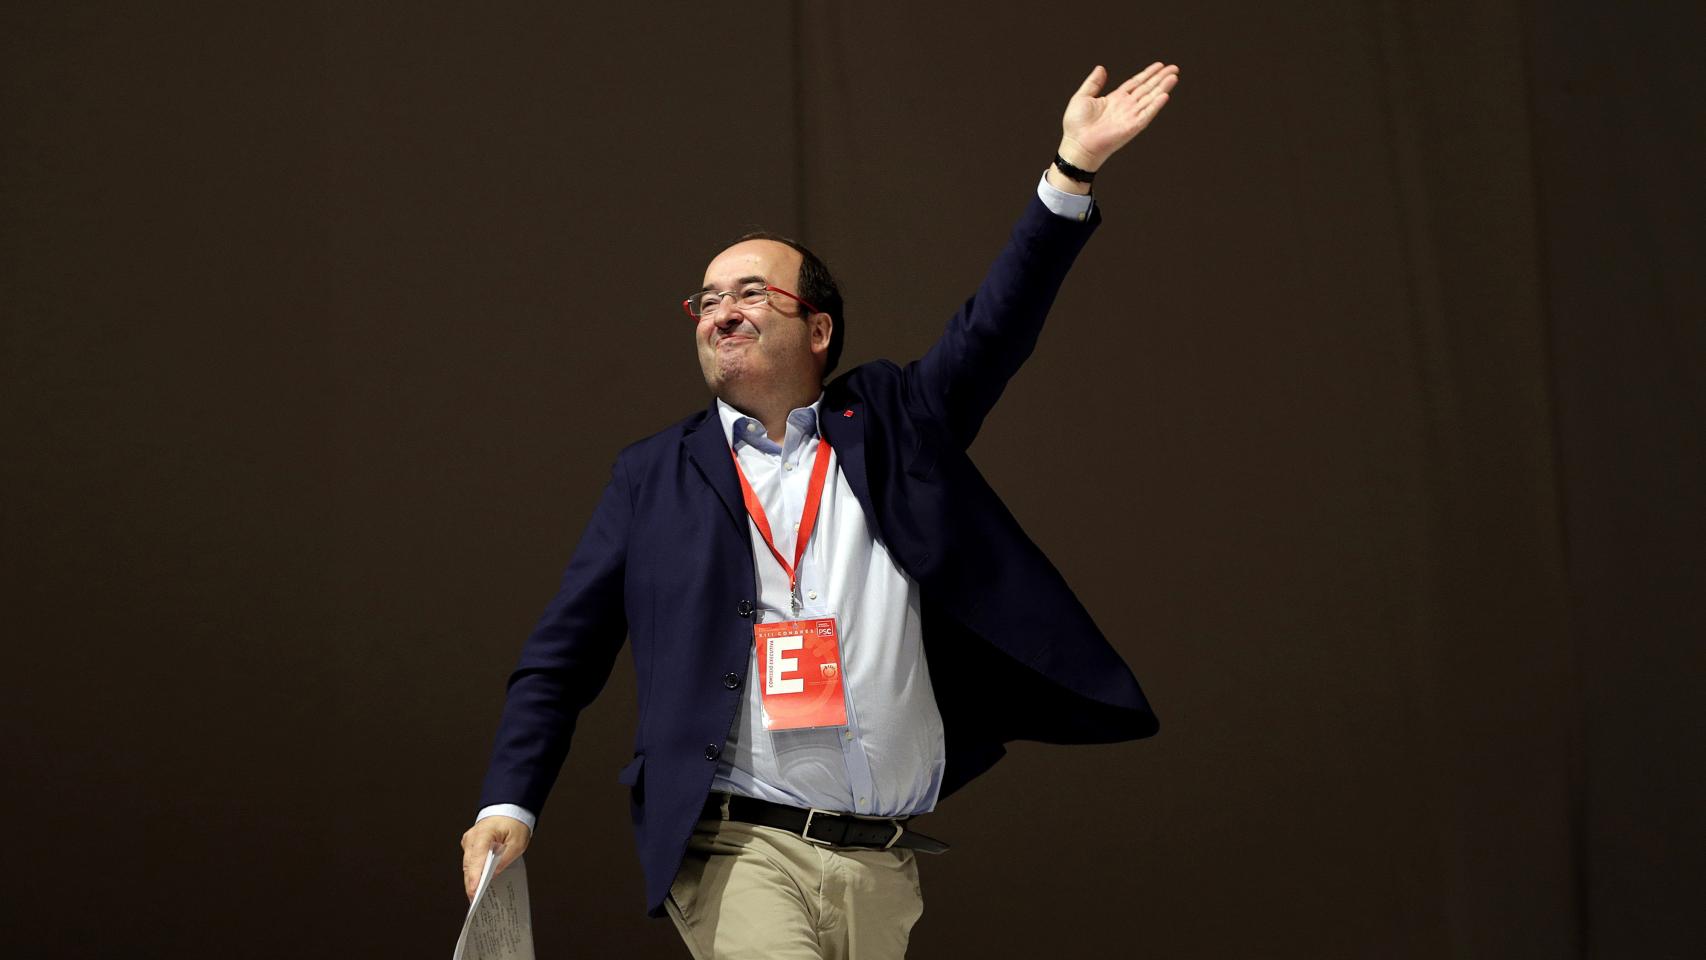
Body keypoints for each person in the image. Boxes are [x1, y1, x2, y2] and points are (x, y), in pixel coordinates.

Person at [461, 60, 1181, 959]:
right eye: (707, 299)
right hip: (737, 848)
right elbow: (559, 658)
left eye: (751, 292)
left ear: (820, 330)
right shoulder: (652, 476)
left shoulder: (892, 422)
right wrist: (508, 799)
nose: (721, 310)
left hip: (881, 864)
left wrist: (1069, 173)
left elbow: (996, 326)